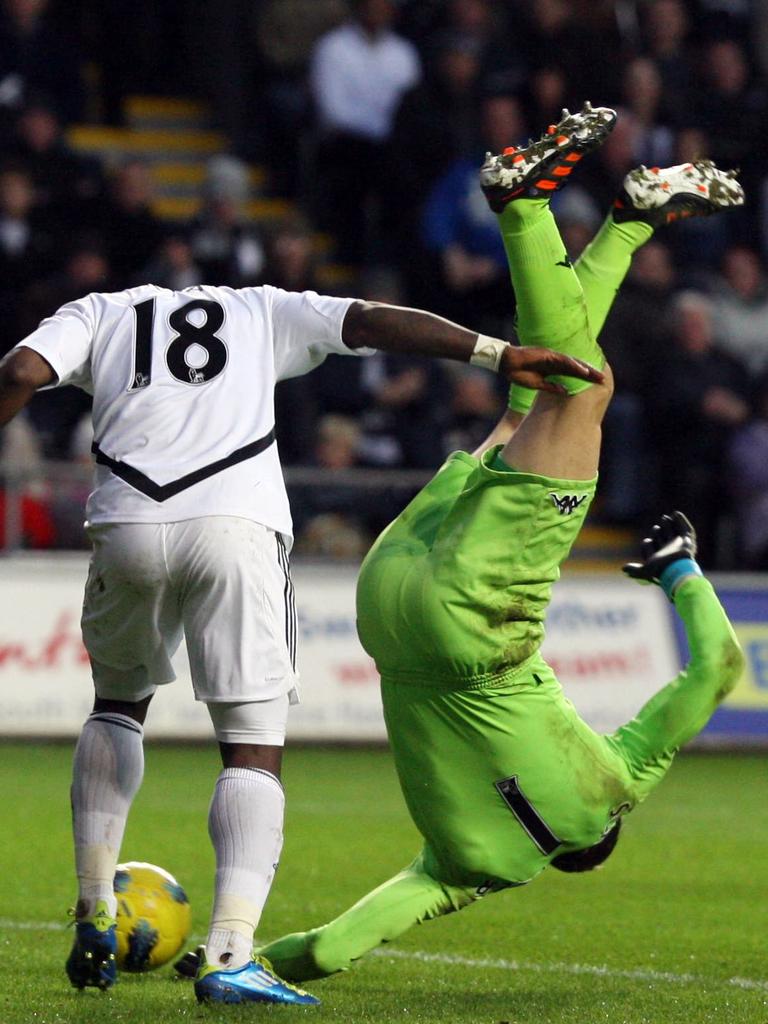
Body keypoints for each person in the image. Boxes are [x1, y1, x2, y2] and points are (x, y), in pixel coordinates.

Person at [219, 104, 745, 984]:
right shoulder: (470, 872)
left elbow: (716, 674)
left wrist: (681, 568)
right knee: (551, 385)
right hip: (386, 611)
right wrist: (251, 961)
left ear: (607, 832)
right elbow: (341, 941)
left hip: (479, 617)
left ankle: (529, 209)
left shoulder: (615, 786)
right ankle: (633, 218)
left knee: (582, 387)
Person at [0, 266, 596, 1002]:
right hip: (235, 526)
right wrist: (495, 354)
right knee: (251, 744)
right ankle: (228, 955)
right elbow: (373, 320)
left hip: (125, 522)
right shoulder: (262, 309)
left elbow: (21, 370)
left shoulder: (99, 310)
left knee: (117, 705)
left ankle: (94, 908)